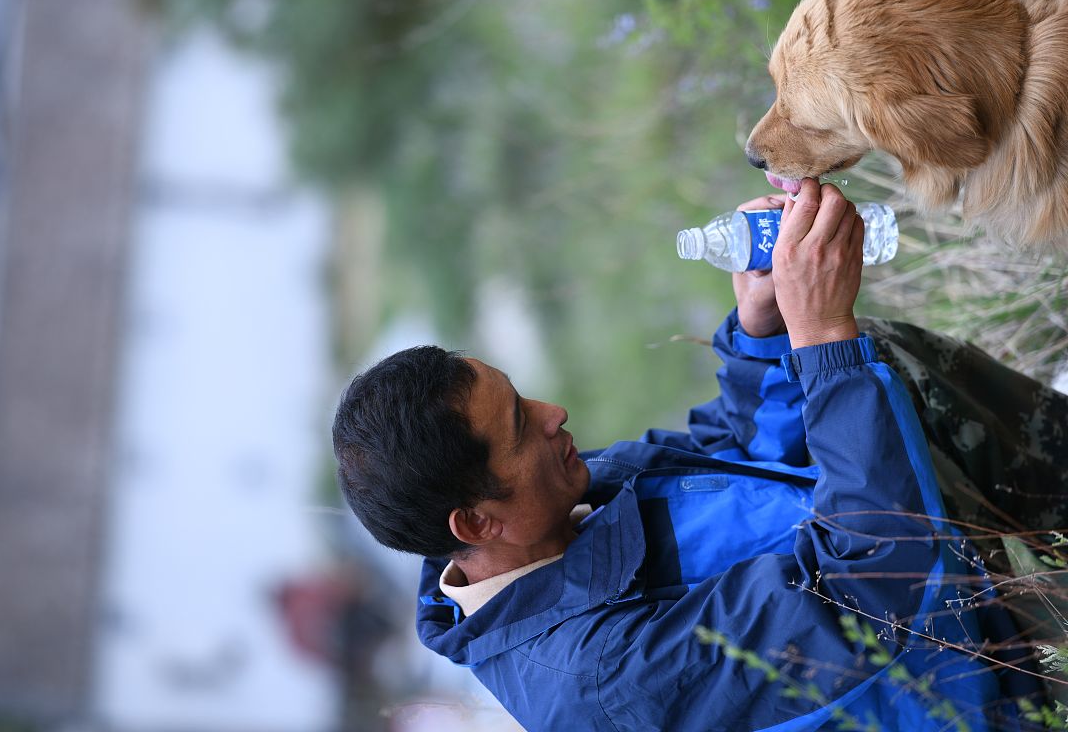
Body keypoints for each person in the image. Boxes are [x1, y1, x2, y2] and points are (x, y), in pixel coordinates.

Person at [332, 180, 1068, 731]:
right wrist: (825, 335)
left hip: (942, 584)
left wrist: (765, 327)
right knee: (841, 361)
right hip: (986, 683)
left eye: (525, 399)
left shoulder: (560, 507)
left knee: (857, 361)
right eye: (523, 428)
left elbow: (733, 450)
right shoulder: (602, 679)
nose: (557, 416)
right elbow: (876, 579)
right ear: (479, 525)